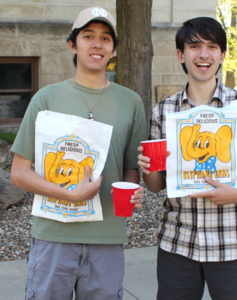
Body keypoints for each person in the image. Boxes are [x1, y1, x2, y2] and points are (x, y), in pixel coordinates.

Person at [138, 17, 237, 300]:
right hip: (178, 243)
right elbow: (156, 185)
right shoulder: (163, 112)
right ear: (181, 54)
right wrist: (148, 168)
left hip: (233, 242)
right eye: (194, 46)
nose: (203, 54)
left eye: (212, 46)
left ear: (222, 55)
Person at [10, 7, 147, 300]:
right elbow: (19, 173)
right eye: (88, 36)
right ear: (73, 45)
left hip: (107, 237)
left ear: (113, 50)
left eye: (106, 38)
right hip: (53, 235)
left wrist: (133, 191)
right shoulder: (46, 98)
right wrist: (69, 194)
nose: (97, 44)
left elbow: (129, 169)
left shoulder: (131, 102)